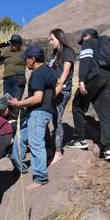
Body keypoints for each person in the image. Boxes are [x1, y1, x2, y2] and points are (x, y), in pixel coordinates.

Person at [9, 44, 58, 190]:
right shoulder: (49, 71)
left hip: (38, 112)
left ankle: (40, 177)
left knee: (36, 143)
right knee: (19, 138)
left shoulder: (37, 74)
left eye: (27, 59)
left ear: (33, 59)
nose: (26, 62)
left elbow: (37, 97)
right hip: (40, 112)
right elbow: (54, 91)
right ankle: (21, 168)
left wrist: (19, 103)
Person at [67, 29, 110, 162]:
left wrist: (82, 79)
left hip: (95, 77)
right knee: (106, 113)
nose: (82, 42)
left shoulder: (89, 42)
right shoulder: (106, 45)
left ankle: (80, 138)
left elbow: (85, 60)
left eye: (82, 39)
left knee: (77, 105)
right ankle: (107, 148)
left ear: (87, 36)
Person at [47, 29, 76, 165]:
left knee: (57, 119)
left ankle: (58, 152)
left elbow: (64, 74)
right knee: (50, 118)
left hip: (62, 91)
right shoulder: (54, 54)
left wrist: (57, 89)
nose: (50, 41)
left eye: (52, 39)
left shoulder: (67, 51)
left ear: (59, 38)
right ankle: (50, 149)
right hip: (53, 91)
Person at [0, 34, 26, 105]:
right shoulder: (7, 53)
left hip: (18, 79)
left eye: (15, 42)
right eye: (12, 42)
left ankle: (14, 116)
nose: (13, 44)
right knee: (6, 102)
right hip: (7, 81)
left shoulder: (24, 53)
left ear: (20, 44)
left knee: (15, 102)